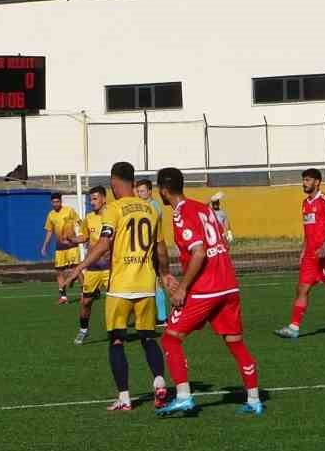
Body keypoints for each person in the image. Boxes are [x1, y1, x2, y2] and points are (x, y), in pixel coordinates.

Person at [156, 167, 263, 417]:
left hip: (207, 288)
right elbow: (219, 243)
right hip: (229, 284)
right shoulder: (204, 208)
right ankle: (254, 399)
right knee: (235, 343)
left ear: (163, 190)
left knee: (171, 338)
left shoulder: (181, 214)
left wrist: (182, 287)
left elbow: (199, 251)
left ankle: (183, 397)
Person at [65, 163, 169, 411]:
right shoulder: (151, 209)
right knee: (147, 338)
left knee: (117, 341)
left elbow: (103, 243)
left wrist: (80, 267)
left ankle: (124, 398)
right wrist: (165, 276)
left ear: (113, 183)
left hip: (121, 285)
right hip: (146, 284)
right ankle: (159, 381)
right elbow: (161, 249)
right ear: (133, 182)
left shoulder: (114, 209)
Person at [275, 168, 325, 339]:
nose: (304, 183)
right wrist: (304, 250)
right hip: (310, 255)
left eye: (307, 180)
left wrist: (324, 246)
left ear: (317, 182)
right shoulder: (305, 203)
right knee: (301, 289)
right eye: (303, 180)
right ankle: (293, 328)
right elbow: (308, 230)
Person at [72, 186, 111, 345]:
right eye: (90, 199)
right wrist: (72, 239)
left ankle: (116, 332)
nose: (92, 202)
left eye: (94, 199)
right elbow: (83, 237)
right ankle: (83, 330)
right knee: (86, 302)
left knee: (116, 300)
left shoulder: (112, 215)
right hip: (93, 268)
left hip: (110, 267)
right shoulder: (89, 218)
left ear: (103, 199)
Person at [134, 177, 169, 326]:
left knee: (157, 283)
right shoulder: (141, 205)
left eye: (142, 191)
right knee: (152, 283)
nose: (140, 193)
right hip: (144, 251)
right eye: (138, 191)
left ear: (149, 191)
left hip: (153, 250)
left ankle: (162, 317)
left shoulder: (153, 206)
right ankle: (159, 317)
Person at [40, 192, 82, 304]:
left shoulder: (69, 210)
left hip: (72, 246)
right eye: (53, 202)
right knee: (59, 272)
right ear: (51, 202)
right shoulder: (51, 215)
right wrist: (45, 246)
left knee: (76, 269)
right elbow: (49, 231)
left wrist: (83, 237)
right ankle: (63, 297)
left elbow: (80, 222)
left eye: (57, 201)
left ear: (61, 201)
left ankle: (84, 293)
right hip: (59, 247)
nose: (55, 204)